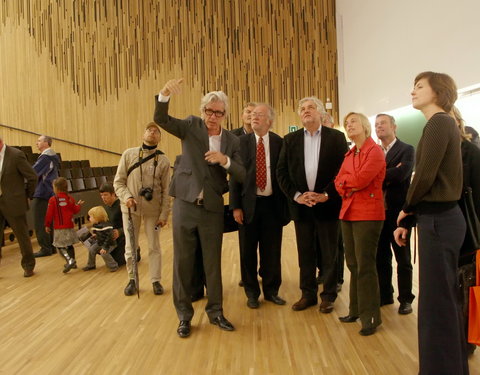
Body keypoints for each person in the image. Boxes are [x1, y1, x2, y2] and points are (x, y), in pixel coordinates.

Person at [154, 78, 246, 338]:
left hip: (212, 209)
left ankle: (215, 312)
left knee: (212, 264)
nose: (212, 117)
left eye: (218, 112)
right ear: (203, 110)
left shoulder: (232, 141)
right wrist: (164, 94)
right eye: (209, 111)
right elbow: (162, 120)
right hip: (185, 205)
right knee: (183, 263)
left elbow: (242, 173)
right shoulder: (192, 126)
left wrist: (224, 160)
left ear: (225, 115)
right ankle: (184, 316)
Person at [394, 72, 468, 374]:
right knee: (439, 303)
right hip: (438, 220)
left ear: (438, 92)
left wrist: (406, 208)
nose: (412, 91)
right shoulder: (441, 123)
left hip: (439, 222)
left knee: (438, 306)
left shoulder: (439, 123)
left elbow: (424, 175)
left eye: (420, 86)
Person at [277, 96, 348, 314]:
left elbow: (342, 172)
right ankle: (307, 294)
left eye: (310, 108)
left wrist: (326, 194)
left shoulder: (336, 138)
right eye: (302, 108)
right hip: (302, 206)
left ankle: (328, 295)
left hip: (327, 204)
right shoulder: (290, 140)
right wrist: (297, 196)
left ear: (320, 113)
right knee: (305, 253)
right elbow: (282, 172)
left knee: (329, 253)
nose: (306, 111)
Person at [230, 103, 289, 309]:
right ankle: (252, 293)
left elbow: (284, 174)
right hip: (247, 206)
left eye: (259, 115)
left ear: (269, 121)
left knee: (271, 251)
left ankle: (272, 291)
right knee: (247, 252)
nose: (254, 117)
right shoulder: (239, 142)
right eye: (253, 114)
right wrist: (235, 206)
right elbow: (234, 177)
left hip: (273, 205)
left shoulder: (279, 142)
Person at [335, 112, 386, 336]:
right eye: (347, 123)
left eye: (353, 121)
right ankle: (355, 310)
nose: (349, 124)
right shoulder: (350, 153)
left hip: (368, 214)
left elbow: (361, 180)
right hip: (348, 212)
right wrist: (347, 183)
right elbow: (339, 182)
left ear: (365, 125)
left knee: (365, 266)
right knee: (353, 264)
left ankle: (370, 317)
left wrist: (348, 182)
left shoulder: (374, 151)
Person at [114, 122, 170, 296]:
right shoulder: (128, 154)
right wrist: (127, 197)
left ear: (159, 138)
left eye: (156, 131)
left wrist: (164, 214)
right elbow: (118, 182)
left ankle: (156, 280)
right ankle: (132, 279)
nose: (152, 133)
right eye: (149, 130)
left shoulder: (163, 160)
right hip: (130, 210)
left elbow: (167, 191)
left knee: (154, 246)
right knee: (130, 245)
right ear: (143, 134)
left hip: (153, 211)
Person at [374, 114, 415, 314]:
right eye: (376, 125)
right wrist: (390, 172)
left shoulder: (407, 149)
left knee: (403, 259)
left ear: (394, 127)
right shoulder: (373, 151)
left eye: (382, 123)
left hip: (399, 214)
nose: (378, 127)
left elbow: (403, 174)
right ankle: (385, 294)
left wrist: (376, 175)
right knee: (381, 258)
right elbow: (369, 178)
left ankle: (406, 298)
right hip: (378, 213)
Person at [0, 135, 37, 277]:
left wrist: (27, 195)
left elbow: (32, 177)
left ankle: (28, 265)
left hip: (14, 202)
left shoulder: (16, 155)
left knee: (22, 236)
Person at [44, 177, 84, 273]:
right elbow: (75, 210)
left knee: (59, 246)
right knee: (69, 245)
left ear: (56, 188)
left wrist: (47, 225)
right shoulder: (70, 198)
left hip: (59, 227)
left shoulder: (53, 200)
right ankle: (73, 262)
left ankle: (69, 260)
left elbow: (49, 214)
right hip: (69, 226)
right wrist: (79, 205)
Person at [32, 135, 60, 258]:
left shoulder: (45, 157)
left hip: (42, 192)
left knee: (40, 221)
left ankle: (45, 248)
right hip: (49, 192)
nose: (36, 143)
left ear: (46, 143)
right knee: (49, 221)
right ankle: (51, 247)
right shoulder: (51, 157)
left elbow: (32, 172)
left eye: (39, 141)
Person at [97, 182, 126, 267]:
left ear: (113, 194)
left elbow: (132, 225)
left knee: (119, 262)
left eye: (105, 195)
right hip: (111, 239)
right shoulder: (106, 208)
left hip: (122, 239)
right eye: (101, 195)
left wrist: (120, 232)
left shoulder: (121, 206)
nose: (103, 198)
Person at [83, 206, 119, 272]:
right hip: (100, 242)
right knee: (91, 249)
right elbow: (97, 232)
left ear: (97, 217)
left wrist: (105, 248)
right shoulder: (95, 225)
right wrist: (95, 235)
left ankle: (113, 266)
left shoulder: (107, 226)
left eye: (91, 217)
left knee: (104, 253)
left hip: (109, 244)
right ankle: (91, 265)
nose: (89, 219)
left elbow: (109, 238)